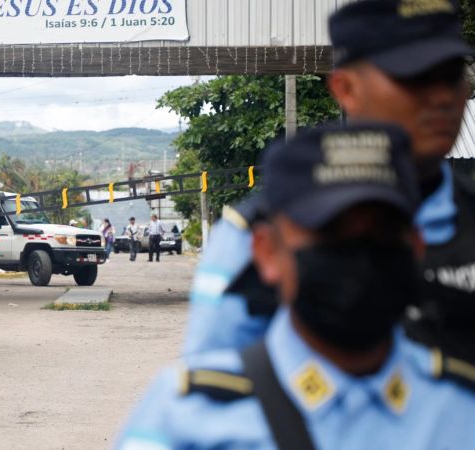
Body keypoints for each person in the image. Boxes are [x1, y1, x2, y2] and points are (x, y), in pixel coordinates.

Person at [117, 123, 475, 450]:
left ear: (417, 246)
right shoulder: (185, 422)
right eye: (330, 233)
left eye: (381, 233)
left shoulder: (460, 409)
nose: (359, 257)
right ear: (267, 251)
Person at [182, 0, 475, 360]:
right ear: (346, 89)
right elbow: (215, 389)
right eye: (414, 77)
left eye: (452, 75)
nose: (443, 97)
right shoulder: (260, 235)